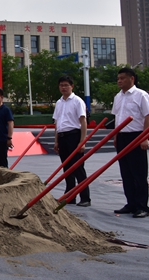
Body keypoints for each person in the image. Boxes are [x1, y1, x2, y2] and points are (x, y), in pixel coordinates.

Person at [111, 67, 149, 218]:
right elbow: (117, 117)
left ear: (131, 79)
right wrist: (116, 136)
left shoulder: (141, 95)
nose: (119, 81)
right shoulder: (118, 97)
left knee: (138, 173)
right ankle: (131, 203)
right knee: (125, 173)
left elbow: (148, 116)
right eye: (118, 79)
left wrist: (145, 137)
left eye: (122, 78)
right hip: (122, 136)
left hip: (136, 136)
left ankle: (142, 206)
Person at [52, 75, 91, 207]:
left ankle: (85, 197)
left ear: (72, 86)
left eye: (66, 85)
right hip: (62, 137)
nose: (63, 88)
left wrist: (82, 141)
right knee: (67, 168)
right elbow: (57, 123)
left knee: (78, 167)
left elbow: (83, 121)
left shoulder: (77, 101)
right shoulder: (59, 103)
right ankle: (70, 196)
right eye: (61, 85)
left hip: (74, 136)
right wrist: (56, 141)